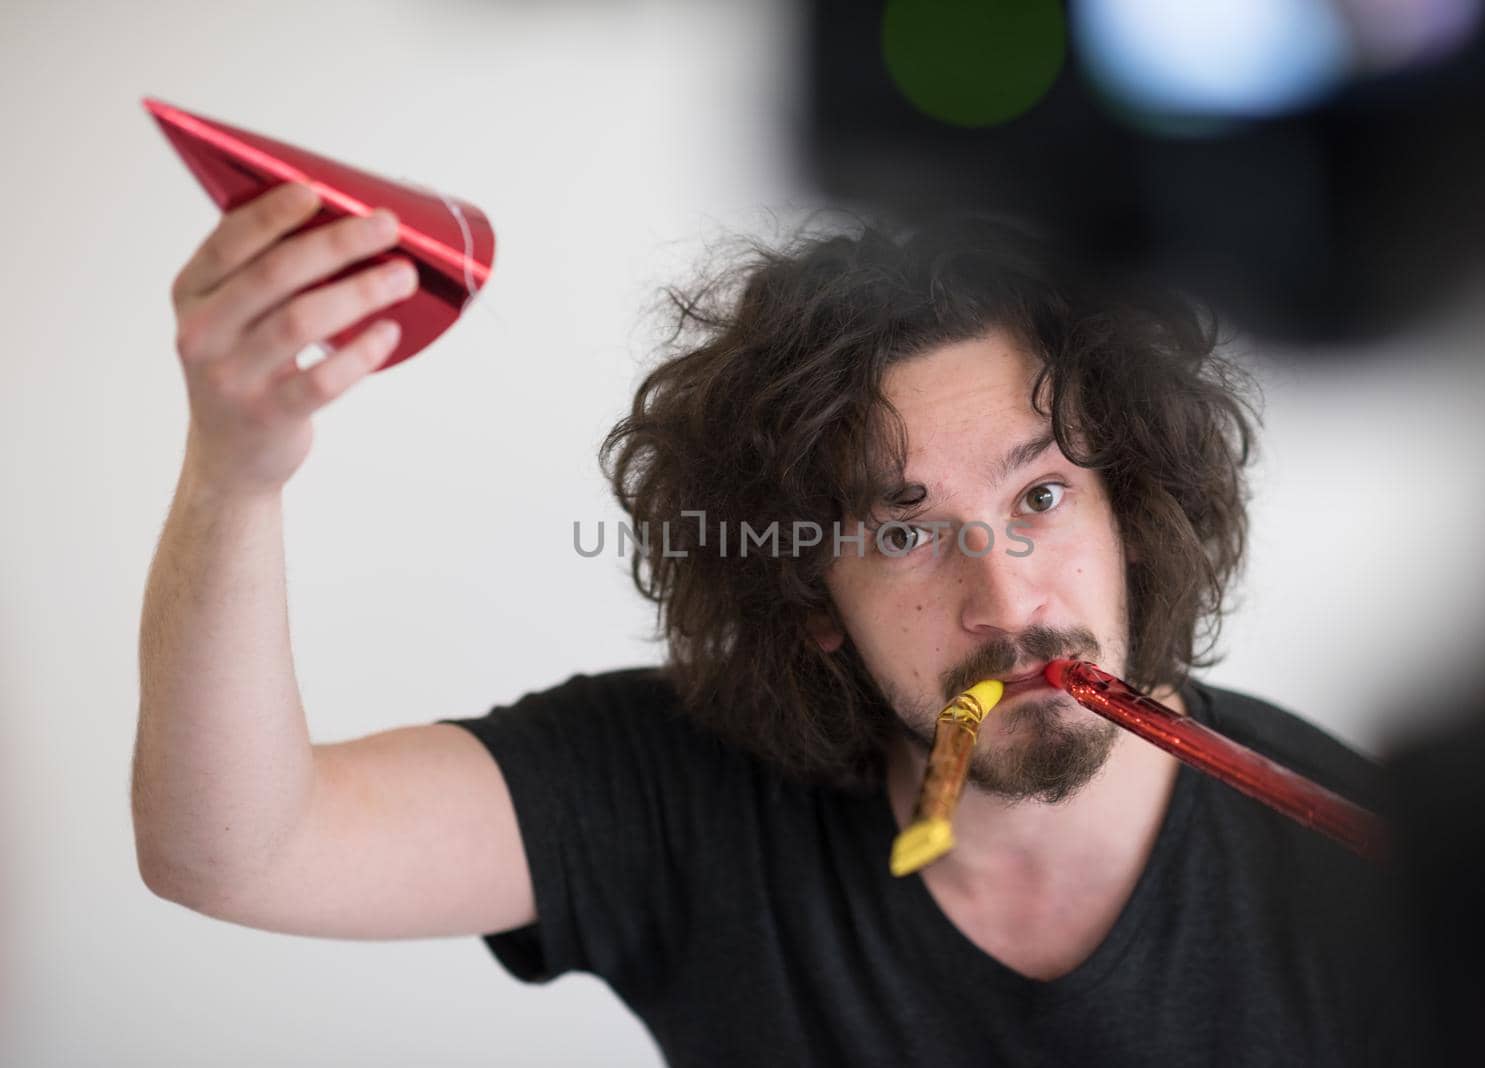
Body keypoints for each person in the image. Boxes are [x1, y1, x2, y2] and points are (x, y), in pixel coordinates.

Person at [134, 187, 1401, 1065]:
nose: (1009, 604)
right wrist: (235, 471)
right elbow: (236, 852)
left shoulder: (1379, 883)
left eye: (1041, 495)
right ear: (810, 609)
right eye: (902, 531)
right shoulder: (680, 795)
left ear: (1133, 514)